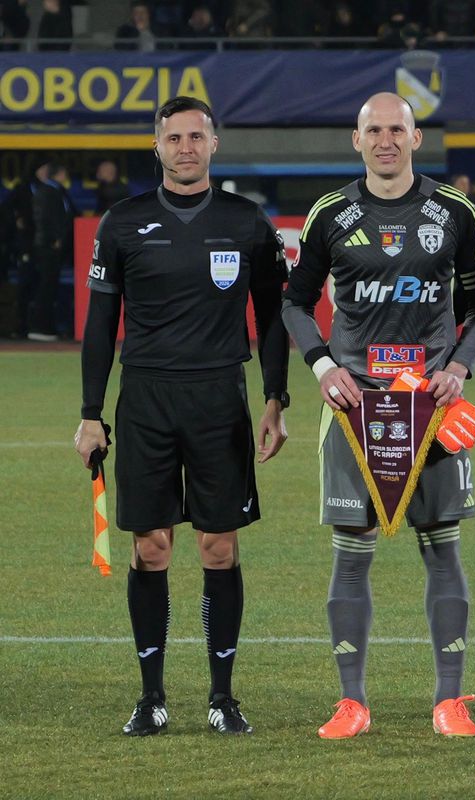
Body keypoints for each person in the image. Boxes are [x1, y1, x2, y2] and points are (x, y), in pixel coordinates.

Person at [281, 92, 475, 740]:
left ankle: (449, 701)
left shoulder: (455, 212)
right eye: (373, 130)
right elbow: (295, 303)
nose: (385, 140)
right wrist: (324, 366)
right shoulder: (330, 214)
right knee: (351, 556)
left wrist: (460, 368)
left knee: (443, 551)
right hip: (355, 406)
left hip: (433, 405)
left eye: (396, 130)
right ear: (357, 140)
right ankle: (352, 703)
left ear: (415, 137)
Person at [73, 95, 290, 737]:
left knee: (218, 547)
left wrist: (275, 398)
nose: (186, 148)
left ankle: (222, 697)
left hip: (220, 399)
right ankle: (152, 696)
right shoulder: (122, 222)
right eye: (175, 138)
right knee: (151, 546)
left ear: (214, 144)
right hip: (145, 400)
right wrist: (90, 413)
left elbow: (273, 316)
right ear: (157, 145)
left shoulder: (246, 222)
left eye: (197, 137)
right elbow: (99, 325)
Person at [28, 162, 73, 341]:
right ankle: (40, 328)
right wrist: (54, 238)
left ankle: (47, 327)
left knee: (50, 286)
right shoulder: (47, 191)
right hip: (47, 247)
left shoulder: (56, 191)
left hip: (52, 247)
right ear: (59, 173)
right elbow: (44, 217)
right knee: (46, 286)